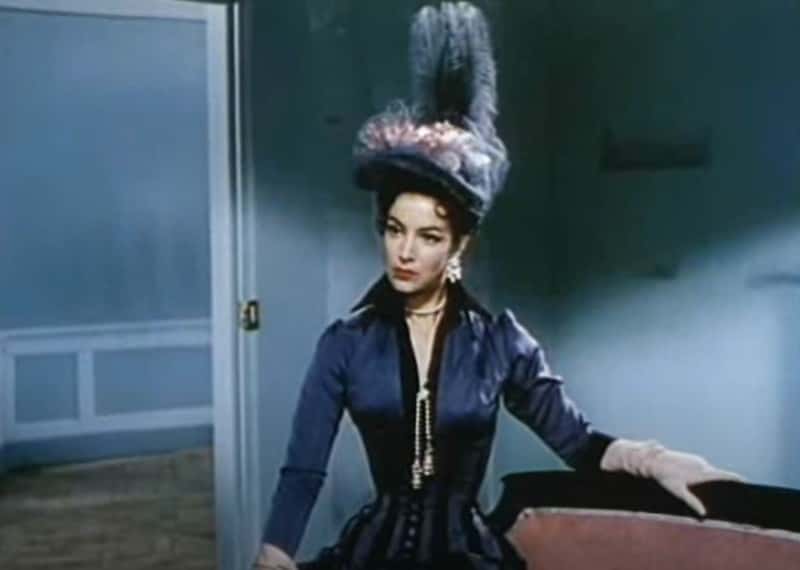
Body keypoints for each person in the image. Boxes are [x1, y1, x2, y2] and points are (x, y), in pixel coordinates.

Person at [253, 3, 742, 569]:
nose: (405, 251)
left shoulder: (499, 343)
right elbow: (303, 469)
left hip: (467, 555)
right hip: (373, 554)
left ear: (459, 245)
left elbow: (578, 443)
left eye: (429, 236)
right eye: (394, 229)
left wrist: (652, 461)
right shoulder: (346, 342)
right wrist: (275, 551)